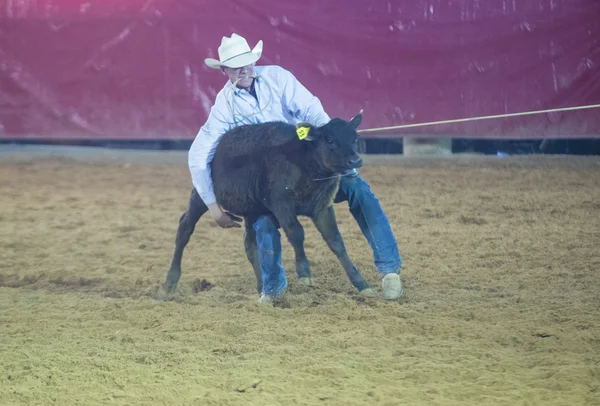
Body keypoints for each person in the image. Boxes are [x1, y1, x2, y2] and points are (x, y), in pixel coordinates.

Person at [188, 33, 403, 303]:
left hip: (312, 164)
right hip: (271, 183)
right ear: (224, 70)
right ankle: (273, 289)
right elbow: (198, 156)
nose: (244, 69)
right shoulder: (223, 107)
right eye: (235, 65)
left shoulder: (278, 78)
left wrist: (332, 145)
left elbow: (312, 111)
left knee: (359, 189)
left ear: (254, 61)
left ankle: (389, 270)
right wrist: (213, 206)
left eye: (247, 62)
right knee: (262, 220)